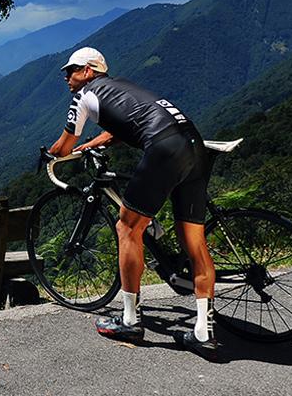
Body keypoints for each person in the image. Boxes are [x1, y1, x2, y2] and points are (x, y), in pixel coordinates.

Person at [48, 46, 218, 356]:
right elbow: (117, 133)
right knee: (194, 241)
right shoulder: (122, 87)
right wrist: (90, 146)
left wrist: (52, 154)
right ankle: (203, 332)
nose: (66, 76)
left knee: (127, 228)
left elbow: (63, 145)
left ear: (88, 72)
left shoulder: (85, 96)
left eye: (71, 70)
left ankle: (129, 320)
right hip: (193, 145)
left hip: (164, 149)